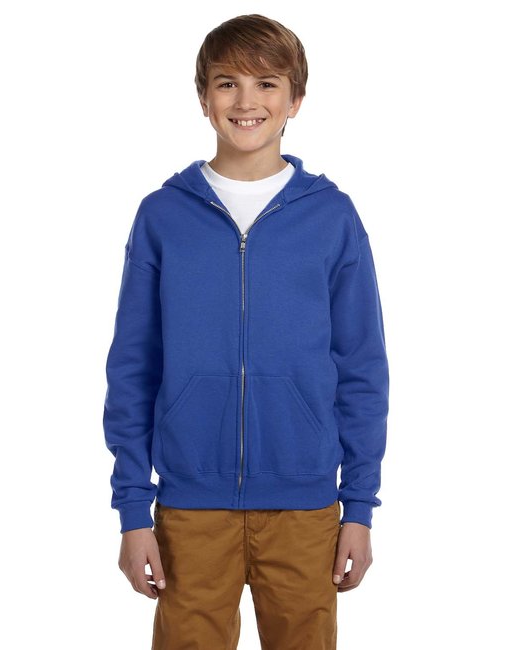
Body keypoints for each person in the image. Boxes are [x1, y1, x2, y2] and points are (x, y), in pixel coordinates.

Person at [103, 13, 389, 650]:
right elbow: (133, 367)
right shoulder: (163, 215)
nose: (246, 101)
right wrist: (132, 510)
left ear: (296, 99)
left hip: (305, 507)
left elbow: (362, 368)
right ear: (203, 97)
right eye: (227, 83)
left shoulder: (332, 216)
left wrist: (359, 506)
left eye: (267, 83)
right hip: (189, 507)